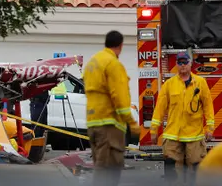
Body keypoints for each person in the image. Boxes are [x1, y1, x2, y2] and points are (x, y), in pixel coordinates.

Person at [83, 30, 141, 186]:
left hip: (93, 123)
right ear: (121, 45)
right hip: (109, 125)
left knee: (100, 167)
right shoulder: (113, 64)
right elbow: (120, 98)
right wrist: (132, 123)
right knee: (109, 172)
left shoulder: (93, 62)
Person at [150, 52, 214, 186]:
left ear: (190, 64)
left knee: (196, 173)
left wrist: (210, 128)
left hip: (194, 136)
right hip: (173, 136)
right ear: (176, 65)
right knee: (173, 175)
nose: (183, 65)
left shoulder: (200, 83)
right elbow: (160, 108)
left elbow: (208, 106)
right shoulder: (169, 84)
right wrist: (154, 130)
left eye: (185, 62)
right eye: (180, 62)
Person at [29, 58, 50, 137]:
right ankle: (36, 143)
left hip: (43, 103)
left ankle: (41, 143)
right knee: (36, 125)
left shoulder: (44, 76)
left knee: (43, 124)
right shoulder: (33, 77)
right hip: (36, 102)